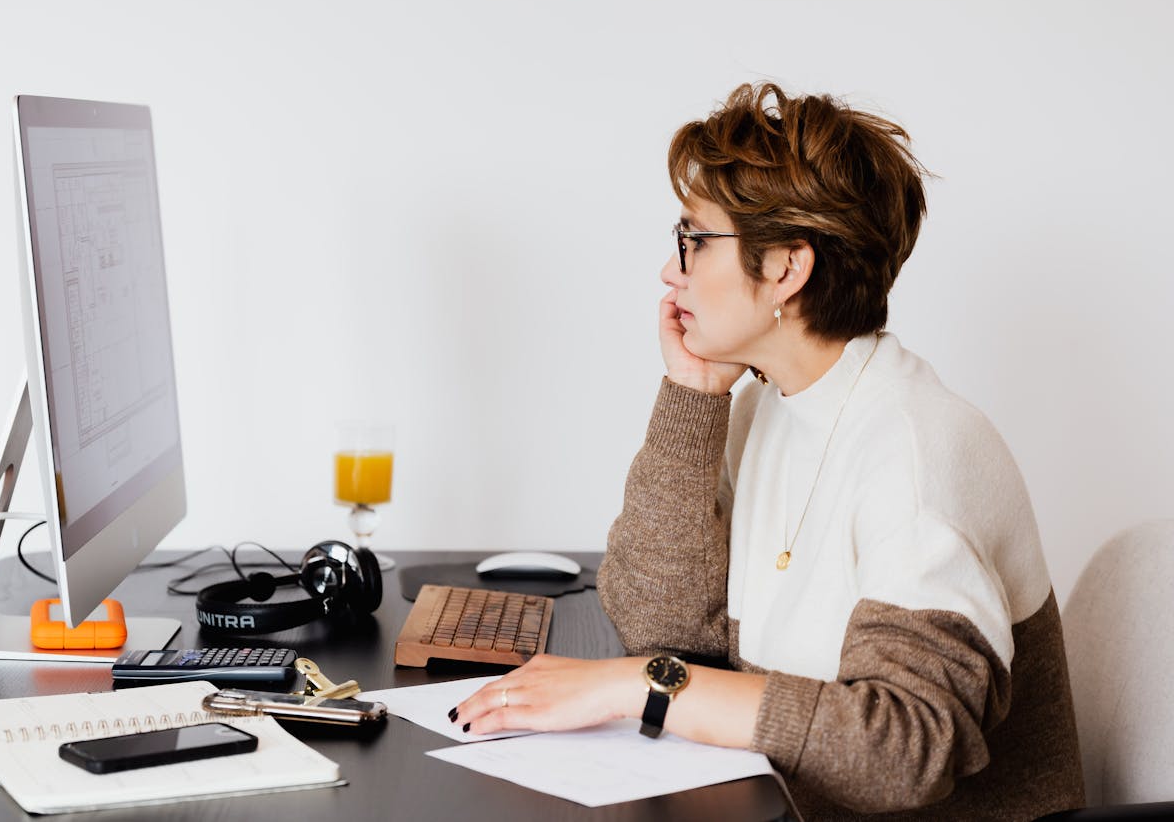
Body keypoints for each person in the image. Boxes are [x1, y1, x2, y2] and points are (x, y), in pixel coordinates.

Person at [451, 82, 1084, 819]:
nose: (670, 269)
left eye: (693, 239)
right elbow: (661, 626)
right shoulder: (766, 408)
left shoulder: (917, 451)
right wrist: (693, 394)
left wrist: (639, 687)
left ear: (786, 266)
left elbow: (903, 751)